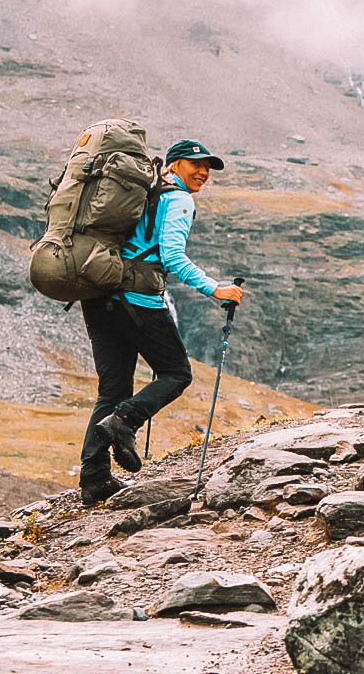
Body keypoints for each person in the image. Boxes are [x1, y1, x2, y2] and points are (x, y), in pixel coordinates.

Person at [78, 139, 245, 506]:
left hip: (99, 295)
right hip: (136, 299)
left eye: (208, 168)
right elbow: (172, 258)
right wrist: (215, 289)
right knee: (176, 372)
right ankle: (124, 423)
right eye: (194, 164)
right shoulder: (178, 199)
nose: (202, 172)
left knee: (113, 387)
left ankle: (94, 479)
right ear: (173, 164)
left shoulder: (147, 191)